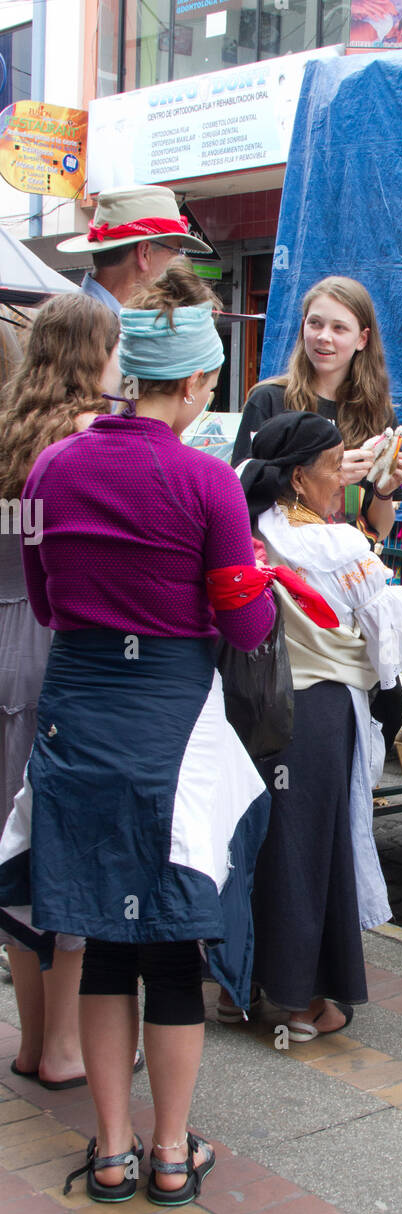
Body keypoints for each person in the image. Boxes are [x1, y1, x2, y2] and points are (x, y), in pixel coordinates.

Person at [0, 262, 276, 1204]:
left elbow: (42, 598)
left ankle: (110, 1149)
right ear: (199, 385)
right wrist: (252, 584)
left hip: (76, 715)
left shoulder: (51, 467)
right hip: (171, 722)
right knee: (170, 946)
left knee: (102, 939)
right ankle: (170, 1152)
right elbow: (243, 629)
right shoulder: (208, 482)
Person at [232, 410, 402, 1039]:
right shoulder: (335, 545)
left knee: (269, 841)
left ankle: (257, 982)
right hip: (317, 711)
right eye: (334, 463)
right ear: (298, 475)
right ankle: (302, 1001)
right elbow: (391, 629)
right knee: (311, 850)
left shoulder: (252, 525)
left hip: (256, 703)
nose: (343, 475)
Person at [0, 295, 122, 1088]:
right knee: (67, 849)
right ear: (92, 356)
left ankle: (33, 1036)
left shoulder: (9, 433)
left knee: (11, 846)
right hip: (60, 649)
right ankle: (67, 1048)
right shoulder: (87, 444)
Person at [232, 275, 402, 746]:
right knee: (288, 715)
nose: (324, 338)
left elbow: (377, 530)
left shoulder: (379, 415)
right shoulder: (269, 399)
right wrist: (326, 473)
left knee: (345, 716)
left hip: (347, 599)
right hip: (284, 593)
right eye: (315, 324)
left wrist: (382, 489)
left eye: (339, 327)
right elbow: (240, 497)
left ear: (362, 339)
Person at [57, 184, 209, 314]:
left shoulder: (79, 318)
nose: (179, 262)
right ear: (144, 253)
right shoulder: (93, 329)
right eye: (176, 251)